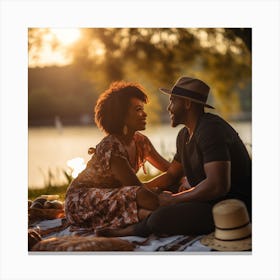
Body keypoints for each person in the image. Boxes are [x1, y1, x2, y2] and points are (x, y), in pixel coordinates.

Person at [97, 76, 252, 237]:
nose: (169, 108)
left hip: (229, 207)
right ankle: (139, 217)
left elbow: (218, 185)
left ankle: (132, 230)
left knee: (160, 217)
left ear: (187, 103)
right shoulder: (184, 135)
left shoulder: (211, 129)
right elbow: (172, 174)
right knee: (159, 193)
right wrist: (137, 192)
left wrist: (175, 200)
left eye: (172, 101)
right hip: (207, 199)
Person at [64, 81, 170, 233]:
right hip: (82, 202)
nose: (145, 114)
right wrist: (164, 195)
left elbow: (169, 169)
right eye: (138, 109)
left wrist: (182, 181)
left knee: (152, 201)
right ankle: (143, 222)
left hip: (118, 197)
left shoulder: (141, 141)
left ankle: (140, 223)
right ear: (122, 116)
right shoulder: (111, 146)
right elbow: (135, 188)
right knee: (145, 198)